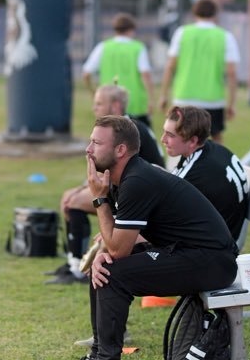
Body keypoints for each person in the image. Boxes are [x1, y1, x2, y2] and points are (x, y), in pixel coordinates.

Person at [80, 115, 238, 360]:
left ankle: (105, 358)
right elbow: (116, 241)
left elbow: (119, 249)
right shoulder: (123, 177)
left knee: (112, 275)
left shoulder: (137, 181)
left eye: (96, 143)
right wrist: (101, 256)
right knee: (103, 268)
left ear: (120, 150)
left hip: (212, 261)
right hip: (188, 251)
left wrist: (99, 199)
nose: (88, 150)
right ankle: (98, 353)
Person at [44, 85, 164, 285]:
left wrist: (83, 192)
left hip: (140, 196)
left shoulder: (127, 131)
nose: (94, 108)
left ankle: (77, 270)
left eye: (99, 103)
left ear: (115, 106)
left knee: (74, 202)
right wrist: (83, 188)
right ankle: (76, 261)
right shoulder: (122, 127)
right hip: (121, 189)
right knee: (69, 196)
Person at [159, 0, 240, 144]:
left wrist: (163, 94)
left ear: (194, 12)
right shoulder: (225, 37)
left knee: (180, 137)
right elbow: (232, 73)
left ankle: (179, 167)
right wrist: (232, 102)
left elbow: (170, 66)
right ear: (215, 14)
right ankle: (215, 167)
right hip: (213, 98)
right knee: (216, 138)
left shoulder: (182, 33)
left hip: (184, 96)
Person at [161, 106, 249, 241]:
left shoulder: (197, 173)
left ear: (193, 141)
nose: (163, 139)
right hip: (226, 234)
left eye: (170, 135)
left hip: (214, 247)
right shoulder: (211, 148)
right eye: (164, 132)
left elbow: (163, 214)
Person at [82, 12, 155, 127]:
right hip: (135, 104)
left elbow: (86, 74)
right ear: (131, 30)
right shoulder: (138, 47)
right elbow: (145, 74)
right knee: (140, 139)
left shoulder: (103, 47)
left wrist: (95, 93)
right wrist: (151, 99)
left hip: (109, 104)